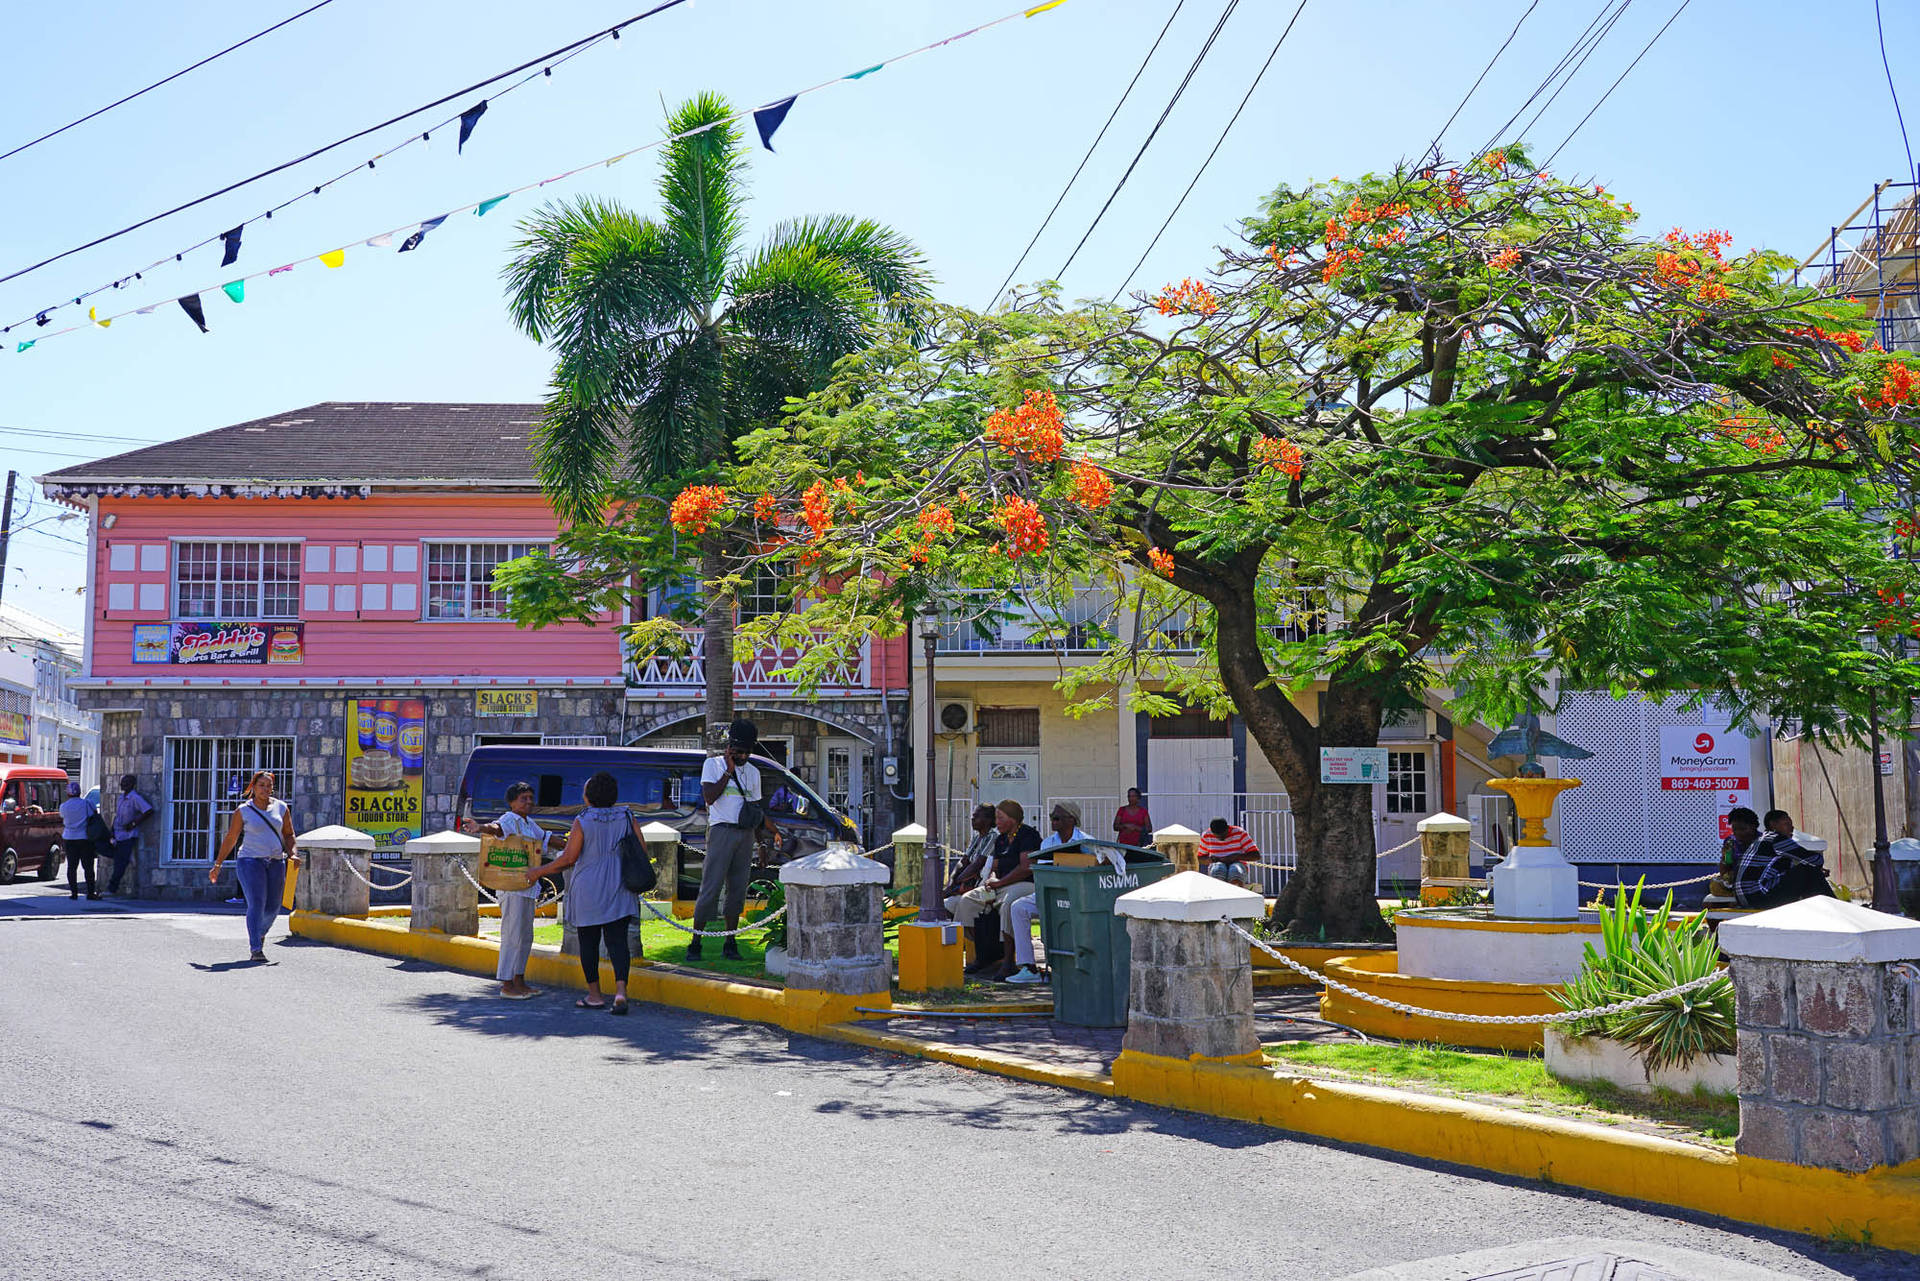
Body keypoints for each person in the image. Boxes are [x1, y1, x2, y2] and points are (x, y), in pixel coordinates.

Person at [524, 770, 643, 1014]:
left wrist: (539, 871)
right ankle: (621, 992)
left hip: (588, 886)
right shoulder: (627, 816)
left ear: (589, 795)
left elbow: (569, 857)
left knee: (588, 941)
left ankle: (595, 995)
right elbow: (640, 848)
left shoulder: (583, 820)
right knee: (617, 941)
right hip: (619, 884)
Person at [469, 781, 562, 999]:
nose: (529, 802)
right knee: (512, 935)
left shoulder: (528, 823)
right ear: (512, 803)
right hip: (512, 888)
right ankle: (507, 984)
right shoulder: (509, 819)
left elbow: (546, 838)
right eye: (524, 798)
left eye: (531, 798)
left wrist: (571, 844)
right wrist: (480, 827)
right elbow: (497, 829)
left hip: (527, 888)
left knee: (524, 936)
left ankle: (520, 980)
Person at [692, 719, 775, 961]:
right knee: (711, 887)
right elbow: (709, 797)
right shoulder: (713, 765)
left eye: (747, 752)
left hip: (745, 833)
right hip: (721, 831)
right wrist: (728, 771)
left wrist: (761, 843)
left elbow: (754, 812)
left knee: (737, 890)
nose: (743, 756)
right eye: (739, 751)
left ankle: (731, 941)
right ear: (729, 748)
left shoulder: (754, 772)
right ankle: (695, 941)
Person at [208, 771, 299, 962]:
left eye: (269, 785)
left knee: (274, 907)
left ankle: (260, 933)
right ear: (253, 787)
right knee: (257, 902)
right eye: (261, 785)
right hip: (250, 861)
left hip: (276, 861)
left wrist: (293, 853)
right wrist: (218, 864)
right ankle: (256, 948)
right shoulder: (243, 810)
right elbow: (231, 838)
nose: (265, 789)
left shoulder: (281, 808)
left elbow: (289, 834)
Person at [949, 799, 1043, 981]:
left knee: (1009, 904)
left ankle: (1008, 961)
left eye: (1000, 818)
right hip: (1002, 884)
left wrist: (999, 884)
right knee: (967, 901)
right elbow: (995, 866)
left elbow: (1025, 868)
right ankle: (986, 953)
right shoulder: (1000, 840)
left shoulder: (1027, 835)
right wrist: (992, 880)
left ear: (1013, 819)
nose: (996, 822)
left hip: (1025, 884)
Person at [1005, 801, 1092, 985]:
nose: (1053, 820)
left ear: (1071, 819)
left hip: (1075, 896)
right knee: (1019, 907)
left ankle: (1070, 966)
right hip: (1049, 892)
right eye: (1052, 817)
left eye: (1057, 817)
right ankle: (1029, 967)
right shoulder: (1047, 843)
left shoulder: (1086, 842)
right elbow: (1042, 872)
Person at [1730, 809, 1835, 909]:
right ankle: (1834, 909)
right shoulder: (1776, 839)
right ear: (1773, 825)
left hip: (1747, 898)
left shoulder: (1762, 840)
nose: (1792, 828)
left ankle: (1826, 908)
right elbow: (1815, 860)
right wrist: (1816, 868)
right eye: (1787, 824)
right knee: (1808, 871)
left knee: (1807, 872)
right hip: (1759, 897)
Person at [108, 774, 155, 897]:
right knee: (116, 859)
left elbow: (148, 811)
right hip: (118, 834)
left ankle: (112, 888)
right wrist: (112, 830)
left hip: (128, 835)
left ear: (132, 785)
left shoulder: (135, 798)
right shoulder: (121, 798)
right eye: (122, 782)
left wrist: (134, 823)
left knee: (121, 862)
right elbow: (117, 815)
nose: (123, 785)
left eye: (126, 783)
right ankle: (117, 886)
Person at [941, 804, 999, 900]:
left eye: (976, 816)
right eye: (973, 816)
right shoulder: (976, 837)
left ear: (988, 820)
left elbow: (978, 863)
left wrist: (957, 882)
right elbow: (963, 861)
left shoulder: (992, 837)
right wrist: (952, 880)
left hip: (978, 884)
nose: (972, 818)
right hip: (964, 881)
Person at [1708, 807, 1763, 899]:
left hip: (1758, 881)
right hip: (1737, 883)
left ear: (1754, 826)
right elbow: (1726, 866)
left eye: (1742, 829)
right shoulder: (1730, 842)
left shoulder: (1764, 841)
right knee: (1714, 886)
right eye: (1734, 829)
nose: (1738, 833)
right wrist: (1726, 857)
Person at [58, 781, 100, 901]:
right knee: (88, 867)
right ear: (79, 792)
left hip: (69, 838)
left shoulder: (63, 806)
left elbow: (62, 817)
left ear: (68, 794)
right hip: (85, 838)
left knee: (72, 866)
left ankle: (74, 893)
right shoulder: (87, 803)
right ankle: (91, 892)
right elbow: (93, 815)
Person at [1199, 817, 1260, 884]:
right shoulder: (1206, 835)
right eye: (1218, 836)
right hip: (1216, 864)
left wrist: (1236, 857)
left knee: (1235, 870)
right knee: (1218, 869)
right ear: (1212, 832)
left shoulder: (1239, 833)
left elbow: (1256, 855)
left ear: (1228, 828)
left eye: (1223, 835)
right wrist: (1209, 860)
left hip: (1238, 863)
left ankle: (1236, 890)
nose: (1221, 838)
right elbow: (1200, 858)